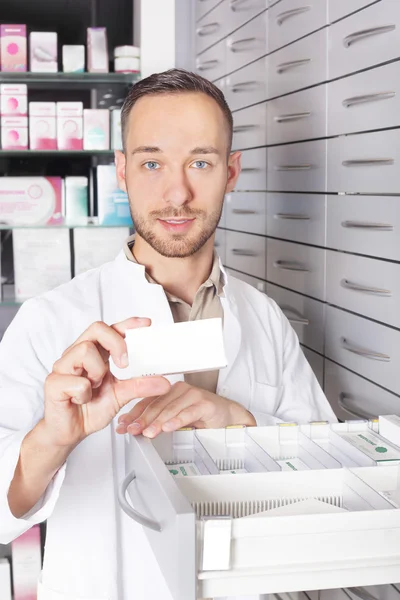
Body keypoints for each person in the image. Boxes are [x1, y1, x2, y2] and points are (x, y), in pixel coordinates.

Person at [0, 68, 336, 600]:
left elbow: (331, 478)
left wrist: (241, 421)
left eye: (200, 163)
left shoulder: (266, 318)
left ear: (231, 173)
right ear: (123, 172)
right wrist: (54, 437)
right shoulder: (50, 320)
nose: (176, 192)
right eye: (152, 162)